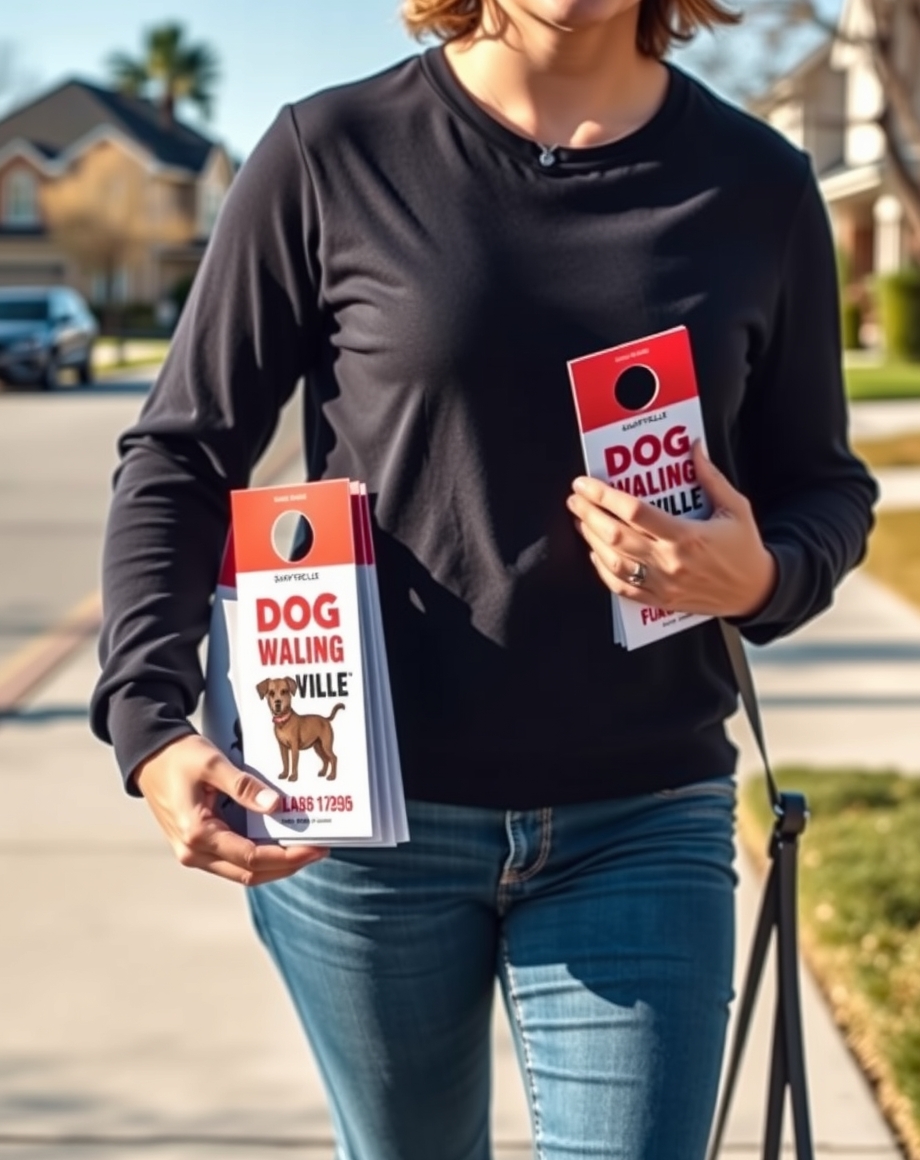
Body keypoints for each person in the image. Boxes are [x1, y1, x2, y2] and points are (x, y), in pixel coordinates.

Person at [90, 1, 877, 1157]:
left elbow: (824, 486)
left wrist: (762, 572)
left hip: (641, 815)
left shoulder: (756, 184)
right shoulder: (329, 152)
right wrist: (149, 718)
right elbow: (180, 452)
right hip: (359, 833)